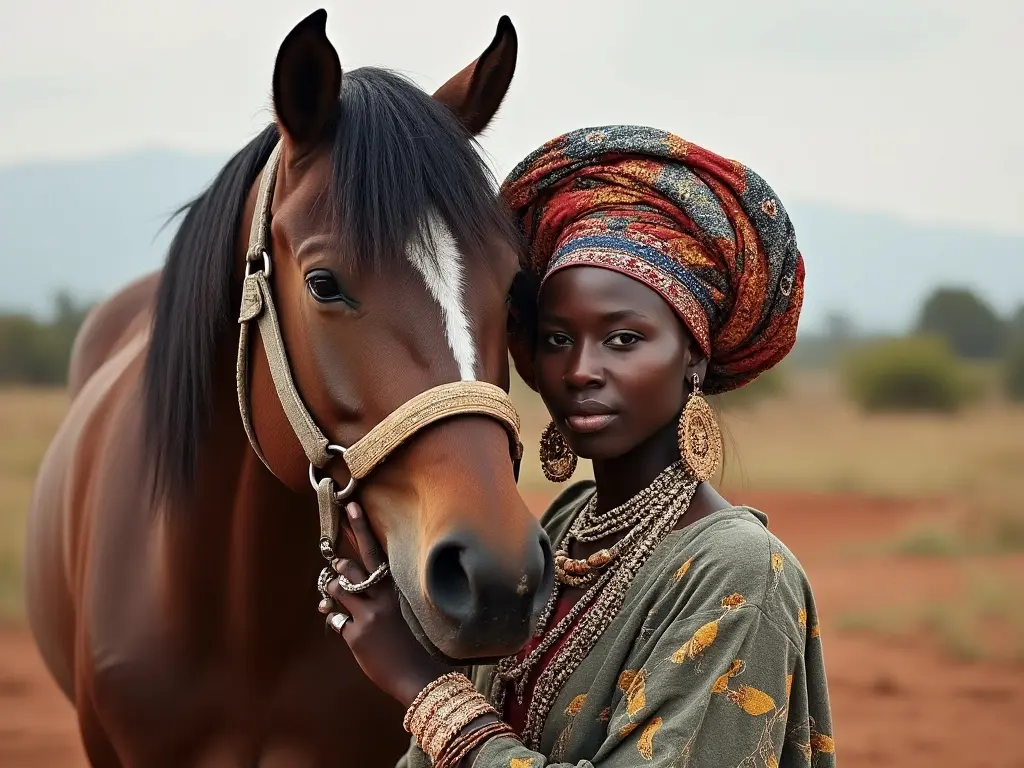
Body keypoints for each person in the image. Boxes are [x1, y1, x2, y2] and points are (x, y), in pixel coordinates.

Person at [320, 124, 836, 767]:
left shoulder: (740, 571)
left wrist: (421, 687)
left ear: (693, 356)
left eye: (623, 339)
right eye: (558, 339)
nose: (580, 370)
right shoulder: (563, 531)